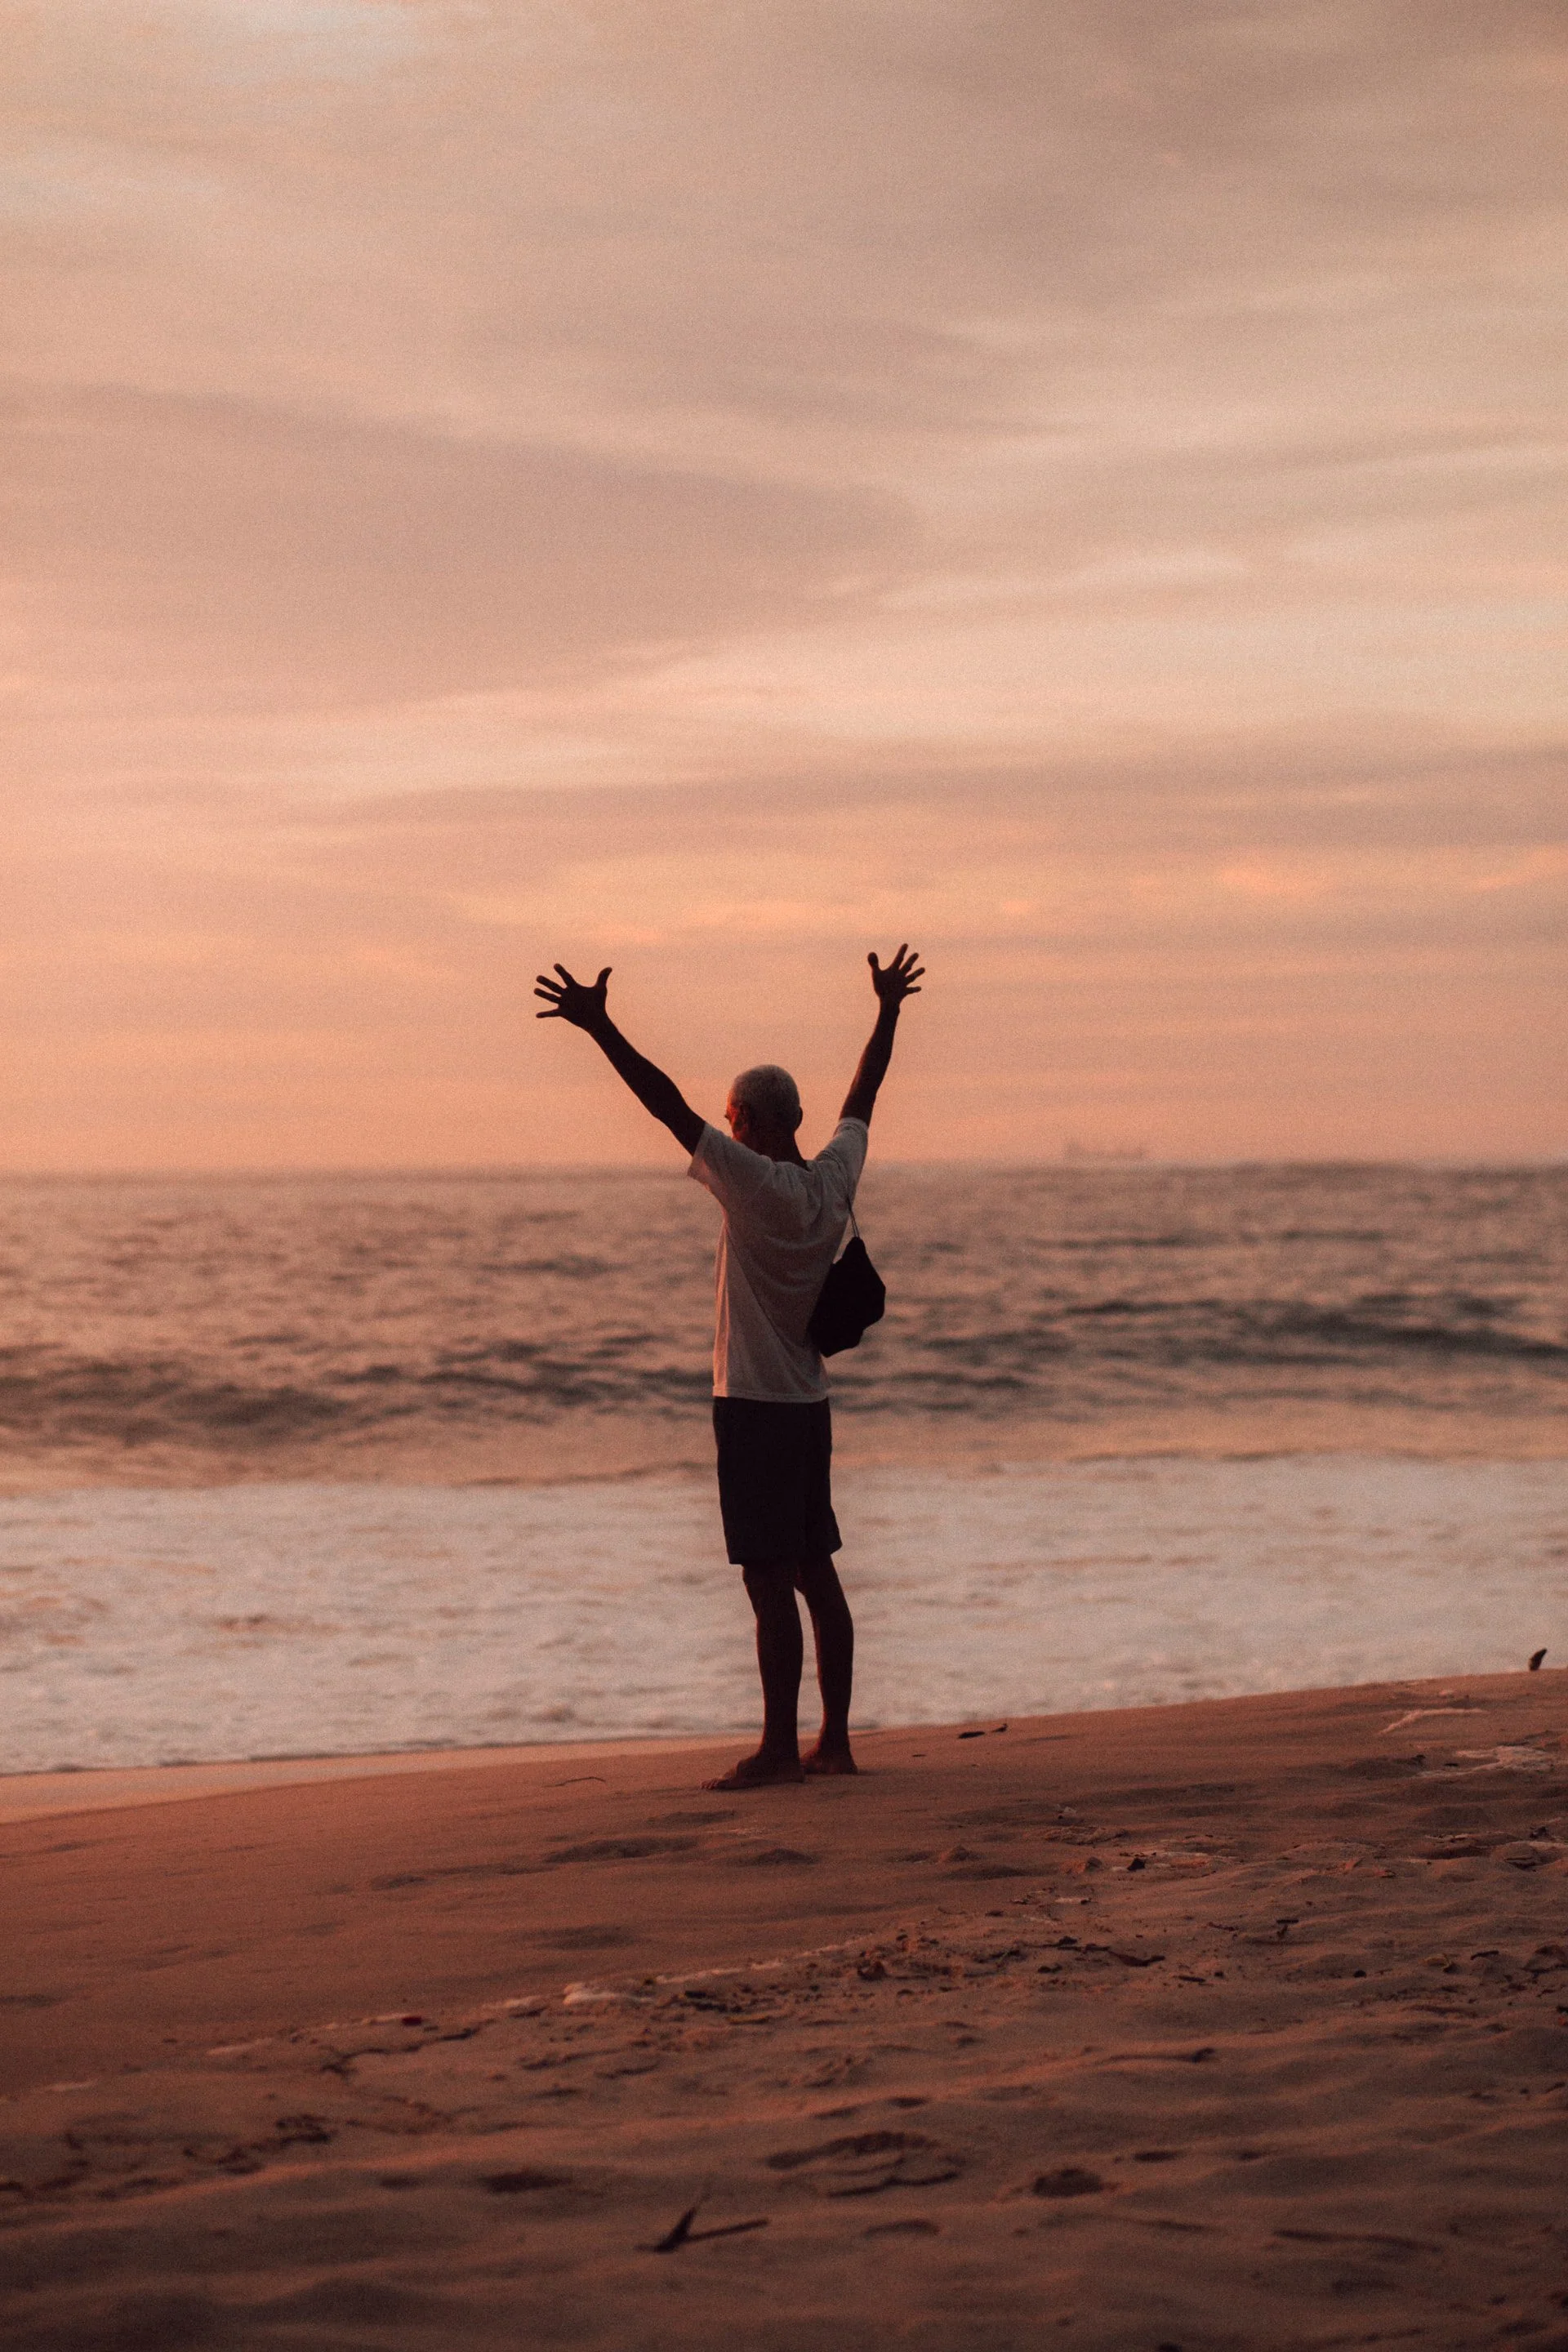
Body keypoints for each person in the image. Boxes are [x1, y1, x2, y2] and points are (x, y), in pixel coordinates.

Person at [533, 945, 924, 1788]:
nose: (726, 1124)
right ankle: (838, 1745)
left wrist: (600, 1027)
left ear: (746, 1119)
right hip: (810, 1404)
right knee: (815, 1569)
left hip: (753, 1403)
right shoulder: (831, 1184)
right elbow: (864, 1096)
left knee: (765, 1580)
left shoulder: (751, 1183)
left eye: (731, 1116)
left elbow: (666, 1106)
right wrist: (887, 1010)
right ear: (796, 1116)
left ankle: (781, 1750)